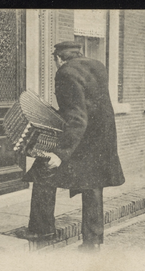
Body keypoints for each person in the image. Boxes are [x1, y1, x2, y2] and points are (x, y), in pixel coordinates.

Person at [21, 41, 125, 252]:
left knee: (43, 170)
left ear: (58, 58)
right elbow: (86, 105)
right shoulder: (97, 66)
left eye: (55, 61)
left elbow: (77, 117)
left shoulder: (65, 73)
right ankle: (92, 243)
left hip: (81, 139)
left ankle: (41, 230)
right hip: (101, 139)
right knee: (93, 187)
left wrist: (60, 153)